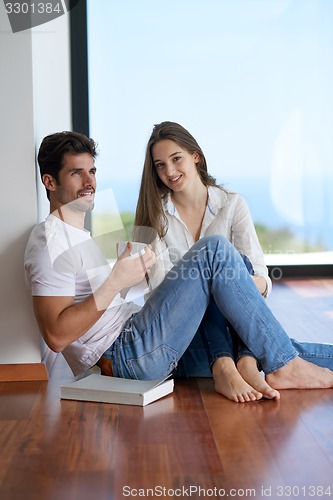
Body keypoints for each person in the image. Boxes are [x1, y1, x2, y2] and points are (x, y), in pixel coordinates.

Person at [24, 131, 333, 404]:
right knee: (215, 249)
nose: (90, 182)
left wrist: (126, 276)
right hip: (124, 355)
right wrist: (116, 282)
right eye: (77, 173)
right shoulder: (49, 241)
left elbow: (112, 299)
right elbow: (56, 335)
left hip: (141, 340)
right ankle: (283, 365)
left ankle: (274, 363)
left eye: (92, 171)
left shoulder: (80, 235)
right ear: (50, 181)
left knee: (264, 345)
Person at [134, 121, 277, 402]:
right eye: (160, 165)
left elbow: (261, 278)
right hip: (185, 332)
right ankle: (231, 363)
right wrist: (213, 283)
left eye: (177, 159)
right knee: (280, 350)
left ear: (195, 156)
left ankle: (244, 362)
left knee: (238, 266)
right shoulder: (155, 217)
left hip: (234, 325)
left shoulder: (233, 205)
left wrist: (229, 286)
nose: (170, 172)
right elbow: (161, 295)